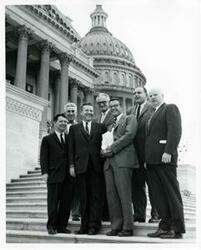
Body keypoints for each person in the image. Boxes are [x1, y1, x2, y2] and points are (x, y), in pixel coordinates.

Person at [145, 88, 185, 239]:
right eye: (150, 96)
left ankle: (177, 229)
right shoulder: (152, 115)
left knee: (171, 194)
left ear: (163, 96)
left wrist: (168, 151)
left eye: (155, 95)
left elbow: (175, 131)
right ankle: (165, 226)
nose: (152, 97)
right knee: (159, 195)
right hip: (152, 161)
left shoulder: (170, 108)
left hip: (165, 159)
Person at [68, 103, 107, 235]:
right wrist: (71, 166)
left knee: (95, 197)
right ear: (81, 112)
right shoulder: (74, 128)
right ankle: (83, 226)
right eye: (86, 110)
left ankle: (94, 226)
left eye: (91, 110)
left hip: (97, 168)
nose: (89, 112)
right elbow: (71, 149)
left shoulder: (100, 127)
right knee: (83, 198)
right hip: (81, 167)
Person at [102, 98, 138, 237]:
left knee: (124, 194)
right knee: (112, 196)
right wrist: (103, 150)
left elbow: (129, 136)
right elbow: (105, 141)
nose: (114, 108)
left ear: (121, 106)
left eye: (116, 105)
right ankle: (116, 226)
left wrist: (111, 148)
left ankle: (127, 227)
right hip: (109, 163)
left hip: (123, 161)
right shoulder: (110, 125)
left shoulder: (130, 118)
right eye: (111, 107)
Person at [129, 86, 160, 223]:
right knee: (137, 187)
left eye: (139, 92)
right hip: (134, 157)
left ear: (146, 95)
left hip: (149, 156)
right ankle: (139, 215)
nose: (136, 95)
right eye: (134, 93)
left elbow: (155, 133)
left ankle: (156, 214)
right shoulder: (130, 111)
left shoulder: (152, 109)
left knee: (153, 186)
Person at [40, 113, 74, 235]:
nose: (63, 124)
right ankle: (51, 226)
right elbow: (43, 158)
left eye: (65, 122)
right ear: (55, 123)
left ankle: (62, 226)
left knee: (66, 203)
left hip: (68, 176)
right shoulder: (47, 139)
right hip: (54, 175)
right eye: (61, 121)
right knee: (53, 202)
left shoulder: (69, 138)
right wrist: (44, 172)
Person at [95, 92, 115, 221]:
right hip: (99, 157)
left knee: (110, 186)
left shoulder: (113, 115)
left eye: (104, 102)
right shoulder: (97, 118)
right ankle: (102, 213)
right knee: (101, 186)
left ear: (108, 102)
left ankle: (109, 214)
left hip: (108, 154)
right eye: (99, 103)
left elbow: (110, 135)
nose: (102, 104)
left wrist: (105, 150)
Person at [64, 102, 81, 222]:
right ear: (65, 113)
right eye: (68, 111)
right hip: (62, 162)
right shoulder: (59, 125)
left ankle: (76, 213)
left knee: (76, 188)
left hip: (76, 162)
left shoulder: (80, 126)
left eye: (72, 111)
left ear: (76, 113)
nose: (70, 113)